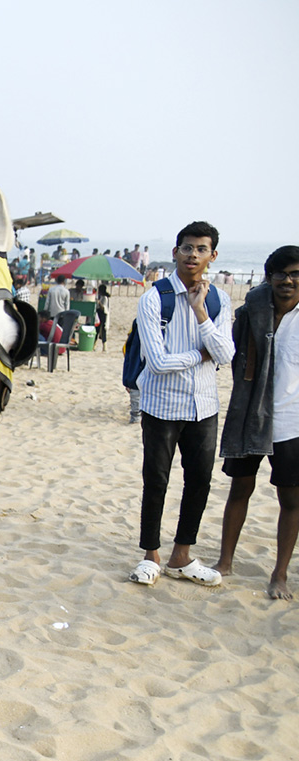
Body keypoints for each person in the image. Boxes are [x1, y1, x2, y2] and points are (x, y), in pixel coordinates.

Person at [127, 222, 234, 587]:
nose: (193, 255)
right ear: (175, 252)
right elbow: (156, 362)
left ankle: (182, 554)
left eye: (201, 249)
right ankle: (150, 555)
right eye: (187, 248)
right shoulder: (154, 297)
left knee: (200, 481)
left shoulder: (219, 299)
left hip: (204, 406)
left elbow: (227, 353)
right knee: (155, 480)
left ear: (212, 255)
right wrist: (200, 354)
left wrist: (201, 312)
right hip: (161, 406)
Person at [216, 246, 299, 599]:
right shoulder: (252, 311)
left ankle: (279, 574)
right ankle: (224, 562)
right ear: (269, 278)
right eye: (281, 274)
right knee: (240, 489)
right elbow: (231, 354)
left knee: (292, 500)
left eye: (296, 274)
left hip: (293, 422)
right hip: (250, 415)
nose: (288, 280)